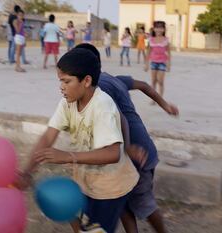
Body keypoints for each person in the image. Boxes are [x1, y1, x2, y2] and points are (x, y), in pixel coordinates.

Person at [18, 48, 139, 233]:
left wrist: (67, 156)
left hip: (109, 187)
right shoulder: (67, 102)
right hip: (84, 182)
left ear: (87, 80)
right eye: (60, 81)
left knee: (94, 229)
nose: (62, 87)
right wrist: (27, 171)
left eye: (67, 81)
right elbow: (48, 136)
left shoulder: (102, 106)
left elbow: (113, 153)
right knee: (78, 221)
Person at [75, 43, 178, 233]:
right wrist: (165, 105)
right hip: (132, 151)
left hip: (136, 153)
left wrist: (127, 147)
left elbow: (117, 117)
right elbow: (144, 86)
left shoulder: (100, 89)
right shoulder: (113, 79)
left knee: (143, 202)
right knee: (122, 200)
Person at [145, 21, 171, 99]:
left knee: (160, 81)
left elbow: (169, 52)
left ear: (164, 29)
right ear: (154, 29)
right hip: (153, 63)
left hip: (162, 63)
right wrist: (146, 64)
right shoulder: (151, 39)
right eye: (157, 28)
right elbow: (148, 52)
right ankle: (154, 99)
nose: (159, 30)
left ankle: (160, 99)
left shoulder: (166, 40)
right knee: (153, 81)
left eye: (161, 28)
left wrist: (169, 64)